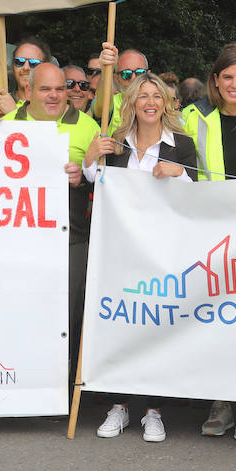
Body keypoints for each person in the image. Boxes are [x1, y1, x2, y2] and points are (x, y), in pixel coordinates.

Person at [83, 73, 197, 444]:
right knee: (122, 326)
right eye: (142, 96)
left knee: (157, 328)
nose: (150, 102)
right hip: (122, 251)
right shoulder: (115, 144)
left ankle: (154, 410)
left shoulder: (181, 144)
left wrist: (179, 174)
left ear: (166, 103)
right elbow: (96, 181)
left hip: (165, 252)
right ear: (130, 103)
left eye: (157, 97)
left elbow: (197, 196)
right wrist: (90, 158)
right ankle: (119, 404)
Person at [182, 46, 236, 442]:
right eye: (227, 77)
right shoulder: (192, 116)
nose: (234, 85)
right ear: (215, 79)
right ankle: (220, 400)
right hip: (210, 229)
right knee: (214, 319)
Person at [6, 63, 100, 375]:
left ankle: (62, 385)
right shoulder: (4, 124)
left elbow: (103, 181)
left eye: (60, 88)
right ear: (29, 90)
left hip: (70, 238)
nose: (54, 95)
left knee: (67, 314)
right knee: (20, 309)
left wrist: (82, 178)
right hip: (17, 239)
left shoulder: (88, 127)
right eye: (45, 89)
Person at [0, 36, 50, 113]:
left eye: (34, 63)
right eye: (19, 62)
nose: (25, 67)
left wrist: (13, 113)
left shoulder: (53, 104)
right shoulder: (0, 100)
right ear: (13, 67)